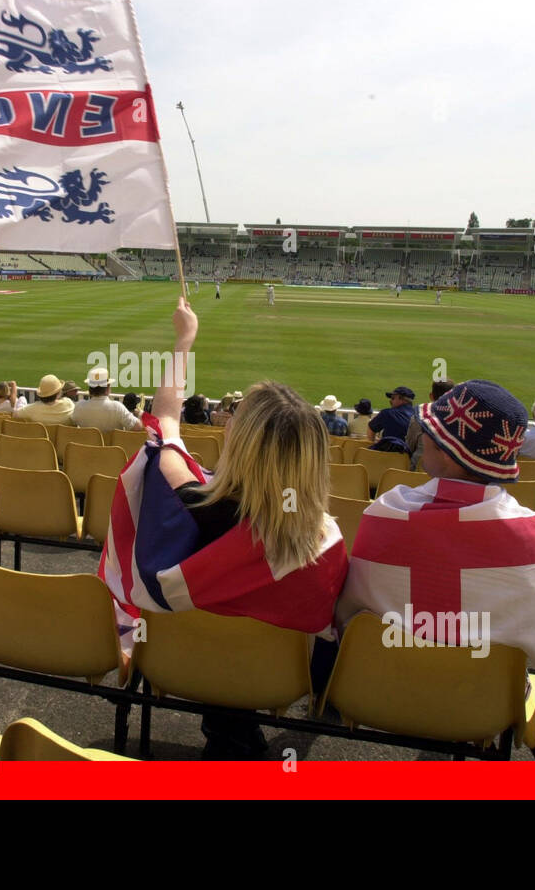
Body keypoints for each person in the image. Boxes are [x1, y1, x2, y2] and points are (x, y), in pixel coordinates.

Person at [99, 296, 349, 758]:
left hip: (182, 667)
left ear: (240, 438)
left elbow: (165, 420)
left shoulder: (187, 496)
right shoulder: (324, 540)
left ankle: (229, 739)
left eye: (236, 418)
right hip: (275, 684)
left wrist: (185, 339)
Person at [336, 379, 535, 672]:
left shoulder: (385, 513)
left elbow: (346, 617)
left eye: (429, 430)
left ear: (447, 452)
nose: (422, 435)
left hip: (380, 687)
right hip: (489, 707)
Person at [73, 367, 141, 432]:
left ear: (90, 389)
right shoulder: (117, 407)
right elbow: (138, 427)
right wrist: (139, 414)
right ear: (107, 388)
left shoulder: (79, 406)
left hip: (86, 443)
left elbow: (71, 424)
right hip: (112, 444)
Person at [405, 379, 454, 470]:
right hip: (447, 475)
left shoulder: (419, 417)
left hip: (418, 472)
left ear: (431, 396)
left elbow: (409, 448)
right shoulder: (460, 420)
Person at [369, 386, 416, 451]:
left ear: (402, 399)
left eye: (393, 398)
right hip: (408, 459)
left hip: (385, 457)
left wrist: (372, 445)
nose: (390, 401)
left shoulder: (387, 413)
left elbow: (371, 429)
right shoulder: (418, 415)